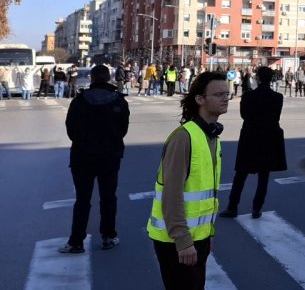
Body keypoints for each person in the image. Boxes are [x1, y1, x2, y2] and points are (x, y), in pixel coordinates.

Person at [147, 71, 228, 289]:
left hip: (196, 238)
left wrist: (207, 235)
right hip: (175, 241)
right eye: (218, 94)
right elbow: (171, 195)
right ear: (200, 99)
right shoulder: (184, 137)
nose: (225, 98)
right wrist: (183, 241)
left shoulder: (211, 136)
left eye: (227, 94)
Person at [59, 65, 130, 254]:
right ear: (108, 78)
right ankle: (108, 236)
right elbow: (123, 129)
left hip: (82, 156)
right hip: (110, 156)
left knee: (82, 199)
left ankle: (76, 241)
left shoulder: (79, 100)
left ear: (91, 78)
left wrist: (84, 142)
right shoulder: (119, 101)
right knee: (108, 197)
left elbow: (70, 129)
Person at [220, 67, 286, 219]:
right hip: (269, 138)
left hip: (250, 136)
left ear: (258, 78)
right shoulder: (278, 97)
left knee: (241, 174)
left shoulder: (248, 96)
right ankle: (257, 209)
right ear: (271, 79)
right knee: (264, 176)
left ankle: (232, 207)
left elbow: (244, 115)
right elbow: (276, 116)